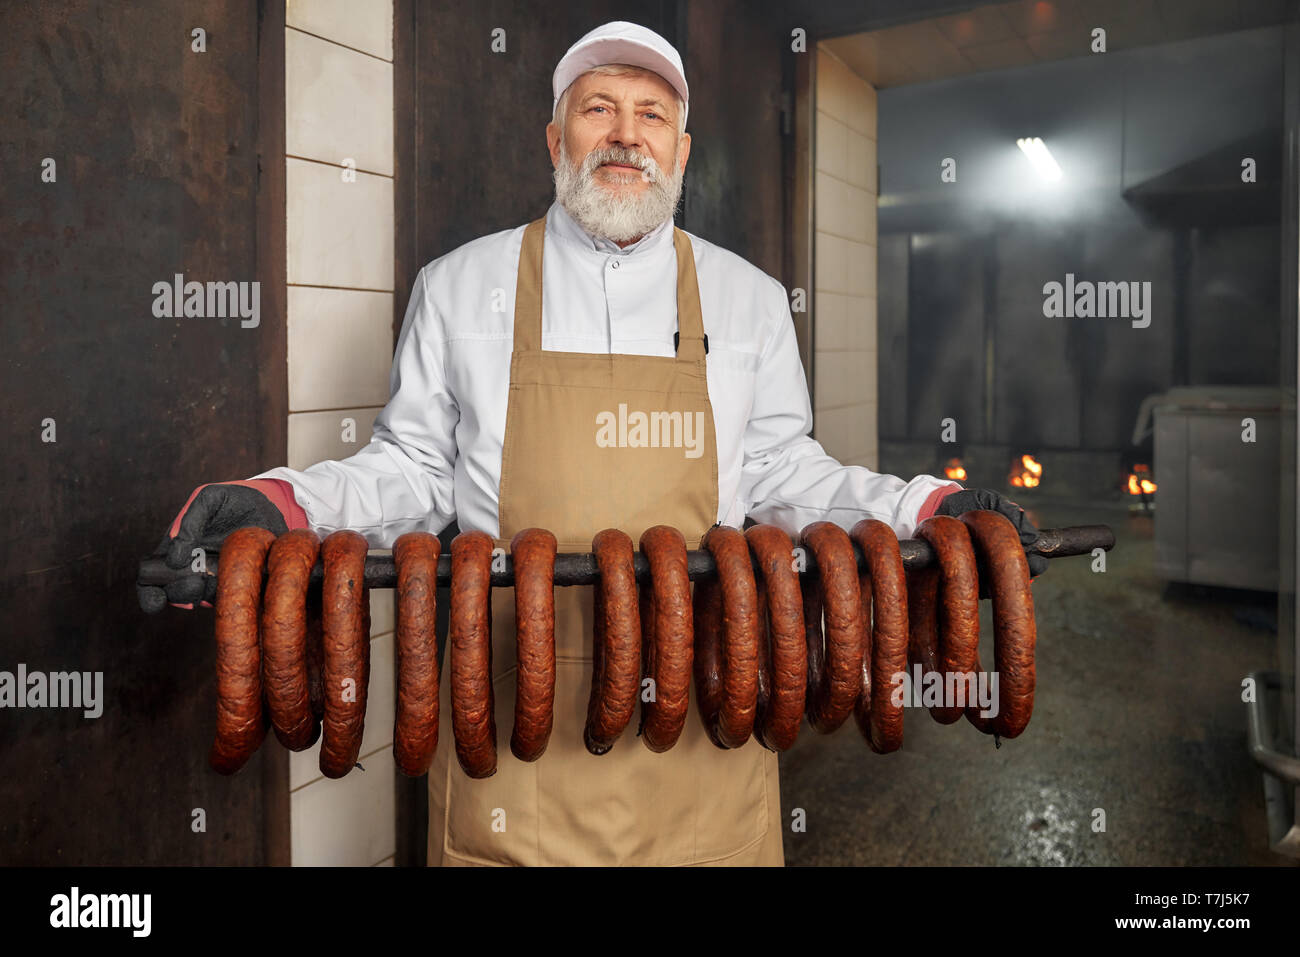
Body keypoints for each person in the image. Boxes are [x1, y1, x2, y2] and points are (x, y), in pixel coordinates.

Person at [142, 20, 1044, 866]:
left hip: (706, 728)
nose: (626, 135)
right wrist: (283, 502)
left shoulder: (750, 300)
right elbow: (411, 471)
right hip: (509, 741)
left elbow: (781, 473)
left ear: (682, 150)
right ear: (555, 140)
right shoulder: (460, 287)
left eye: (652, 114)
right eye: (598, 108)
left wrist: (925, 505)